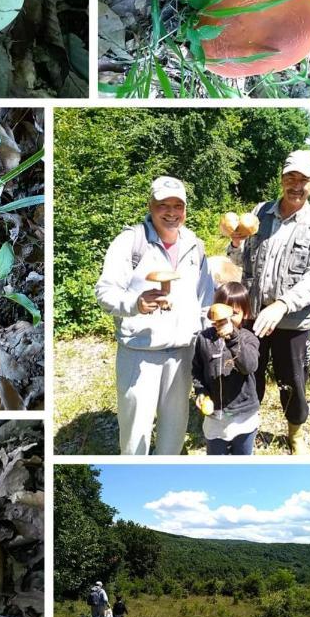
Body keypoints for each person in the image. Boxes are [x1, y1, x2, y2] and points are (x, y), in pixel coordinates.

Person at [96, 177, 214, 455]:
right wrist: (134, 303)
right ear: (150, 206)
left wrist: (206, 343)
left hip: (183, 352)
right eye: (163, 205)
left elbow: (205, 299)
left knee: (174, 430)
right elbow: (105, 291)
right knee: (135, 431)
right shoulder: (131, 242)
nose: (171, 212)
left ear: (186, 209)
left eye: (178, 205)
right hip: (140, 353)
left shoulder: (195, 246)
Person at [226, 150, 310, 455]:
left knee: (294, 382)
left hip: (292, 321)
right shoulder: (259, 213)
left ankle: (295, 433)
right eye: (290, 178)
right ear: (282, 178)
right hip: (252, 316)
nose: (296, 185)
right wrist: (235, 243)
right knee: (248, 375)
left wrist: (283, 304)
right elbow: (237, 262)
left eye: (303, 179)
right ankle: (247, 428)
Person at [192, 282, 260, 455]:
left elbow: (249, 366)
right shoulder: (204, 339)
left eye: (234, 313)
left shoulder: (248, 338)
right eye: (222, 313)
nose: (226, 320)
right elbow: (197, 370)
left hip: (243, 413)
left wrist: (233, 338)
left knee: (243, 458)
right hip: (215, 414)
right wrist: (201, 391)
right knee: (216, 459)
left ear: (245, 314)